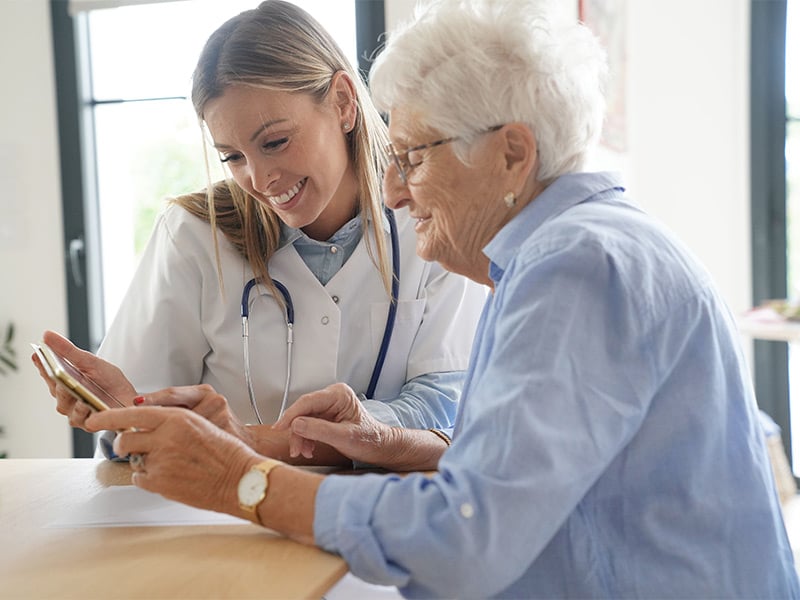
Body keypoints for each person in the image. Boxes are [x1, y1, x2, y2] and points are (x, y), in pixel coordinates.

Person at [46, 0, 800, 597]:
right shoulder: (564, 251)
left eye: (411, 156)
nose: (396, 189)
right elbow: (516, 474)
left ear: (512, 152)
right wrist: (389, 443)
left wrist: (242, 480)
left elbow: (467, 540)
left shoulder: (578, 267)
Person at [48, 0, 485, 463]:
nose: (259, 179)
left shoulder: (429, 220)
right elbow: (135, 433)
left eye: (275, 142)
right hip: (224, 521)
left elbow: (448, 412)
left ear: (342, 102)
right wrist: (119, 413)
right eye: (232, 157)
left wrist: (264, 441)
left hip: (383, 515)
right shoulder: (194, 235)